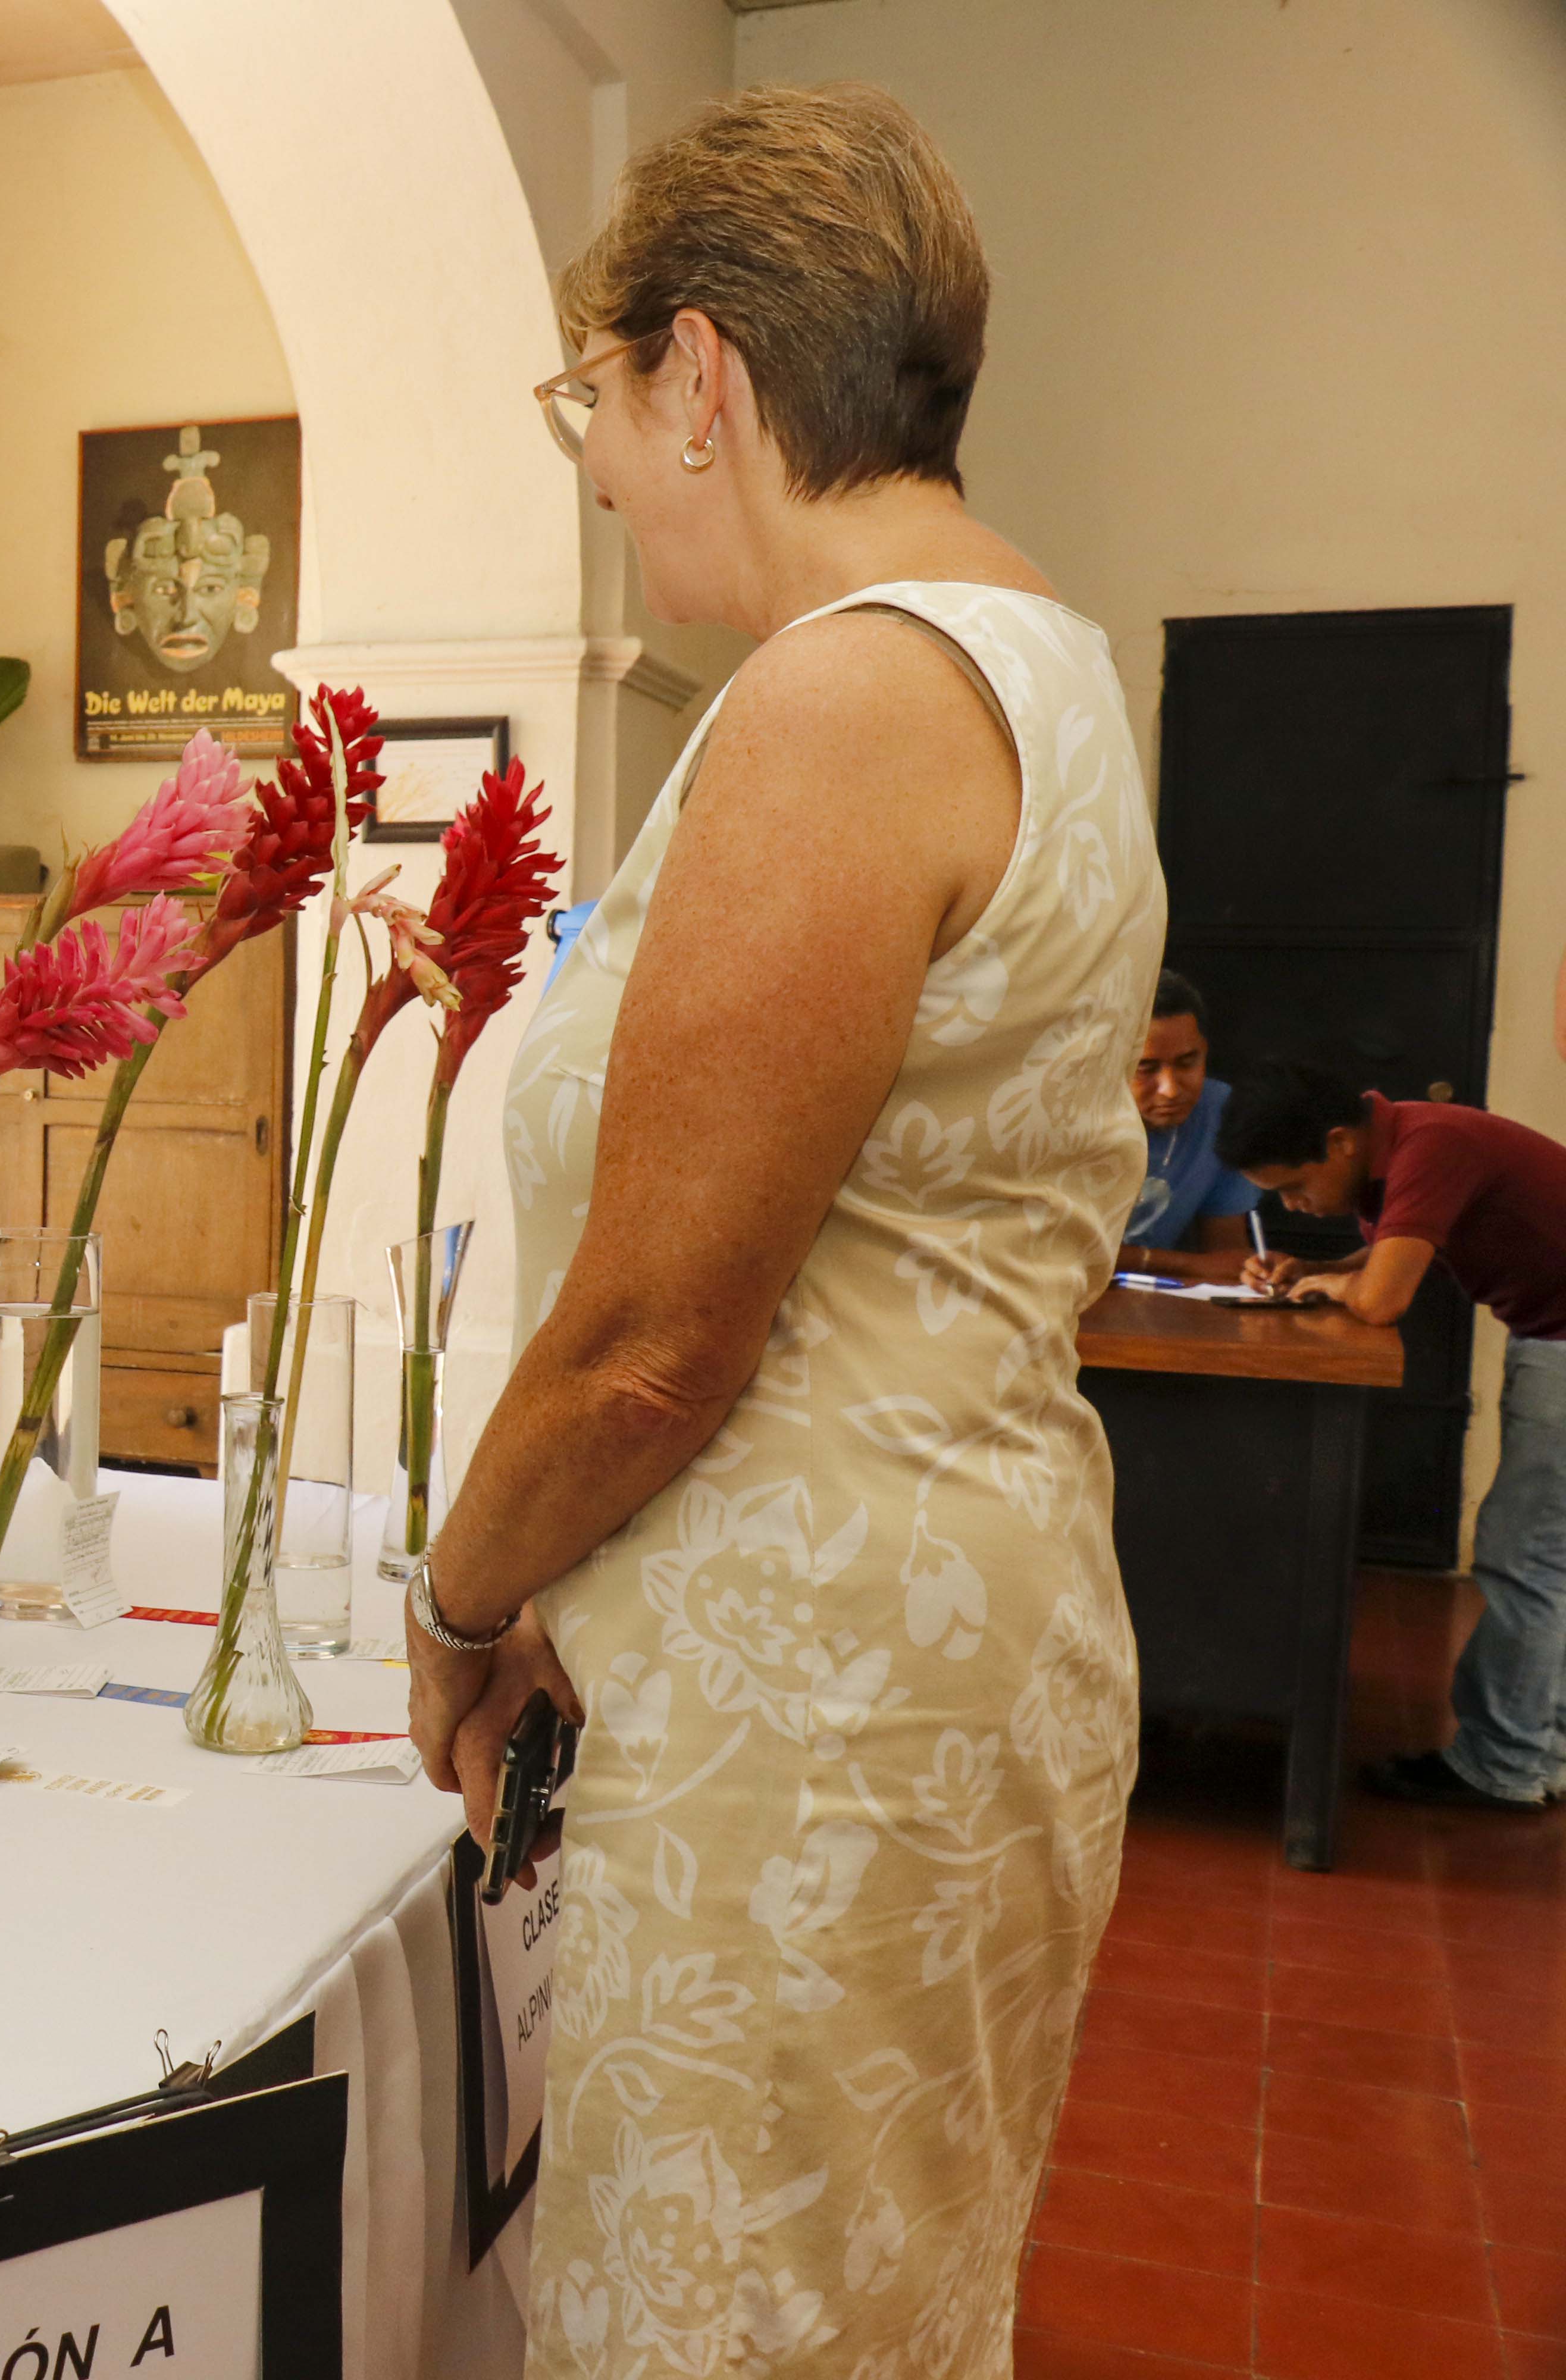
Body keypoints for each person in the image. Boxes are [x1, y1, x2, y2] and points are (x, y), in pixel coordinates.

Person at [415, 84, 1161, 2375]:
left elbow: (656, 1335)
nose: (599, 466)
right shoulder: (1040, 660)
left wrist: (462, 1598)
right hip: (925, 1651)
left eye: (591, 396)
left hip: (820, 1728)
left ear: (700, 374)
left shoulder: (847, 694)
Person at [1226, 1060, 1566, 1812]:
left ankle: (1503, 1766)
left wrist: (1339, 1285)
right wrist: (1319, 1269)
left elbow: (1382, 1299)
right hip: (1551, 1329)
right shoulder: (1402, 1141)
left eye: (1295, 1187)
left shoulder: (1430, 1146)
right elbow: (1397, 1250)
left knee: (1526, 1554)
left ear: (1340, 1142)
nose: (1295, 1206)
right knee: (1549, 1555)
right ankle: (1540, 1750)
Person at [1119, 970, 1265, 1282]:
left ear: (1205, 1051)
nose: (1171, 1090)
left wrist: (1255, 1273)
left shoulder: (1220, 1112)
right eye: (1146, 1068)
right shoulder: (1066, 1121)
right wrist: (1188, 1264)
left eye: (1187, 1063)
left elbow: (1226, 1256)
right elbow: (1063, 1257)